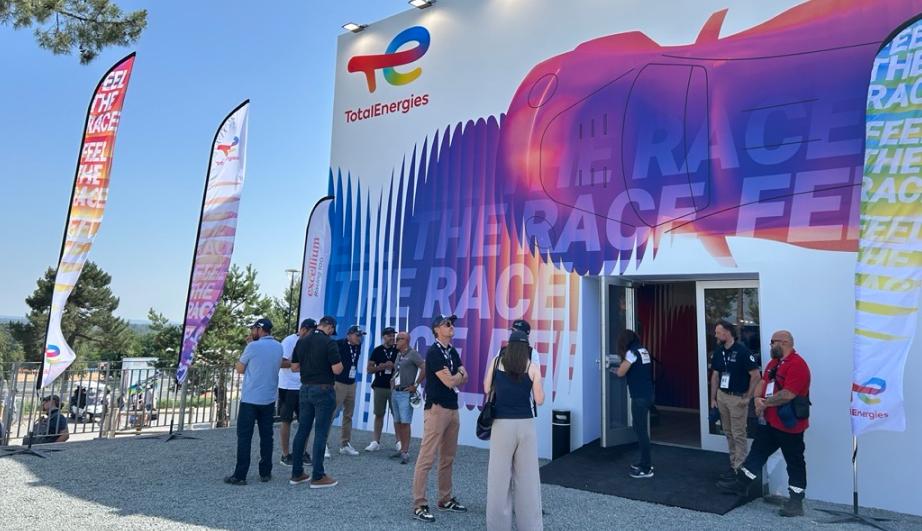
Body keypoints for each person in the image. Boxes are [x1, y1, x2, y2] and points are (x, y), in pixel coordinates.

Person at [717, 330, 811, 517]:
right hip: (770, 422)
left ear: (783, 342)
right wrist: (757, 398)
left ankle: (796, 501)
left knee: (794, 461)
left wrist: (764, 403)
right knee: (757, 453)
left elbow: (788, 394)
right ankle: (741, 484)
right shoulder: (773, 364)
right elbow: (762, 382)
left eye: (772, 342)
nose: (769, 346)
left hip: (789, 425)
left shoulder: (798, 365)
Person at [485, 330, 544, 531]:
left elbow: (486, 389)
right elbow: (539, 400)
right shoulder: (532, 367)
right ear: (526, 347)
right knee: (527, 479)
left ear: (508, 346)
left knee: (498, 479)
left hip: (501, 424)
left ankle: (498, 526)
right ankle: (530, 526)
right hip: (526, 425)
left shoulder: (496, 361)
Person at [412, 313, 469, 522]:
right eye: (447, 324)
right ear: (437, 329)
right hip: (436, 409)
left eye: (452, 323)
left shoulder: (452, 351)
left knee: (448, 457)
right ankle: (419, 504)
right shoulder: (434, 352)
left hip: (453, 409)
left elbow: (464, 375)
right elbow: (450, 382)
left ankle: (445, 499)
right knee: (427, 458)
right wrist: (458, 376)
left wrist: (458, 376)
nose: (451, 326)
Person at [224, 318, 283, 485]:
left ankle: (240, 475)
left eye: (253, 329)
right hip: (269, 398)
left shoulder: (252, 346)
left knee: (244, 437)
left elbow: (240, 369)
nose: (251, 332)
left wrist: (248, 346)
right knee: (267, 436)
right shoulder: (279, 346)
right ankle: (265, 472)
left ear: (259, 329)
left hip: (250, 399)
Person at [290, 315, 344, 488]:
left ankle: (297, 473)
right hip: (323, 389)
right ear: (329, 326)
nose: (332, 332)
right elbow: (337, 369)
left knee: (302, 431)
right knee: (321, 432)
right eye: (332, 330)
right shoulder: (329, 343)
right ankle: (318, 476)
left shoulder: (302, 341)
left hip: (305, 389)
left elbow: (294, 367)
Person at [709, 319, 760, 481]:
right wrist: (713, 398)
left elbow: (755, 375)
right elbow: (715, 375)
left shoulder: (743, 352)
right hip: (722, 395)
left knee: (738, 434)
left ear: (727, 332)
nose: (716, 335)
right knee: (728, 432)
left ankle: (740, 469)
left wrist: (748, 397)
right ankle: (733, 466)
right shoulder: (719, 352)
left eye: (718, 332)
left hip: (737, 397)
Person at [611, 329, 654, 479]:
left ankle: (646, 467)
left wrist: (613, 369)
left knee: (640, 430)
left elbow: (621, 372)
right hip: (648, 393)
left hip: (639, 396)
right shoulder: (643, 350)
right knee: (640, 428)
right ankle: (644, 461)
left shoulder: (631, 353)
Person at [279, 318, 316, 466]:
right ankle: (285, 454)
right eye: (311, 332)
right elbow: (281, 362)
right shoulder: (289, 341)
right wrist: (300, 363)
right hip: (288, 386)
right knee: (286, 420)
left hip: (305, 386)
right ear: (303, 329)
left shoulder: (312, 342)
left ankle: (302, 452)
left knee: (305, 421)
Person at [390, 330, 425, 464]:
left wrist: (415, 384)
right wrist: (392, 382)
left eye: (399, 339)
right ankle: (401, 449)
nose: (396, 341)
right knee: (397, 421)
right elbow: (397, 370)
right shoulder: (399, 354)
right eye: (397, 338)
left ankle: (405, 451)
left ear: (406, 341)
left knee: (405, 422)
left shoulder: (413, 354)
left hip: (405, 393)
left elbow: (424, 367)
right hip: (396, 392)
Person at [332, 324, 365, 456]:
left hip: (352, 383)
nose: (359, 338)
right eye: (357, 335)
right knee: (331, 413)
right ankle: (324, 444)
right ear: (349, 335)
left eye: (361, 336)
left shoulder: (358, 346)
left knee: (348, 415)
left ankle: (345, 444)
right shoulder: (338, 344)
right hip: (338, 382)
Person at [366, 326, 399, 452]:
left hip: (395, 387)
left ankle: (399, 442)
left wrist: (394, 366)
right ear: (383, 337)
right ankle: (375, 441)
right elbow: (369, 369)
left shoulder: (398, 350)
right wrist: (382, 367)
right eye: (389, 335)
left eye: (393, 335)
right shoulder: (377, 350)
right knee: (379, 414)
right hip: (379, 386)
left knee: (397, 415)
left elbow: (404, 366)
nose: (392, 338)